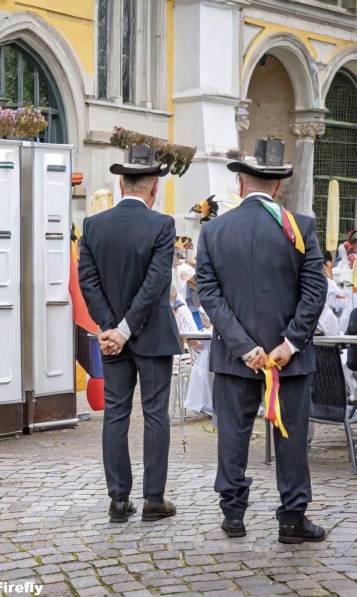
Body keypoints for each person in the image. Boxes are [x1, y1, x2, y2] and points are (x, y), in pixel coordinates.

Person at [196, 138, 328, 543]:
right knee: (290, 437)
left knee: (233, 435)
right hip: (288, 358)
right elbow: (315, 291)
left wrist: (242, 345)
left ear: (240, 184)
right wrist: (289, 343)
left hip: (236, 358)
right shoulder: (301, 227)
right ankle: (291, 518)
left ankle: (233, 514)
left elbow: (208, 292)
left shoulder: (214, 230)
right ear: (276, 186)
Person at [78, 143, 180, 523]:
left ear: (121, 185)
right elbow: (156, 284)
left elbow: (87, 281)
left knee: (116, 414)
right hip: (152, 336)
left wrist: (110, 328)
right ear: (153, 186)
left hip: (111, 339)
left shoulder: (93, 225)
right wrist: (121, 329)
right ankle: (154, 499)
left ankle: (118, 500)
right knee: (155, 414)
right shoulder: (162, 225)